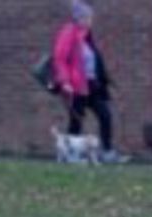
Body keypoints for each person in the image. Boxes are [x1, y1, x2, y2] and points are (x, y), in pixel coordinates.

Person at [53, 2, 127, 162]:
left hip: (92, 85)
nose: (90, 20)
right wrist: (65, 81)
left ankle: (107, 152)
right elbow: (60, 59)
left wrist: (103, 78)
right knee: (76, 121)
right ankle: (71, 155)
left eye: (90, 17)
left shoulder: (86, 34)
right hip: (76, 86)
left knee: (105, 115)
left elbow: (93, 58)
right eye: (87, 17)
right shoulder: (69, 32)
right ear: (79, 17)